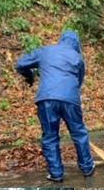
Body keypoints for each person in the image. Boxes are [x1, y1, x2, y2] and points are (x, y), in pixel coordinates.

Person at [15, 30, 95, 181]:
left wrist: (30, 76)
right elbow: (79, 81)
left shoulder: (45, 51)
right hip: (70, 99)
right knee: (79, 133)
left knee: (50, 137)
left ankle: (56, 174)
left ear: (61, 40)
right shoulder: (78, 58)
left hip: (46, 99)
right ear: (76, 44)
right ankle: (87, 168)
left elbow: (20, 64)